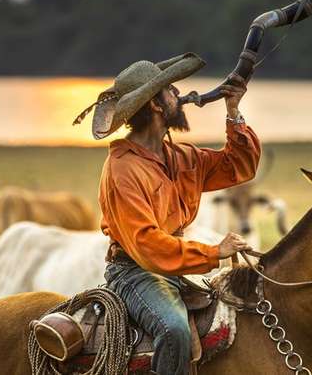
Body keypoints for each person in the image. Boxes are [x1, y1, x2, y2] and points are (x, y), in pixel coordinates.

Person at [73, 52, 261, 375]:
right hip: (134, 273)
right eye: (170, 90)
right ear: (157, 106)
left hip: (172, 268)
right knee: (174, 329)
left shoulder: (181, 156)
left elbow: (239, 167)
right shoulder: (122, 170)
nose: (178, 94)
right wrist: (215, 251)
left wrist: (234, 112)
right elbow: (147, 246)